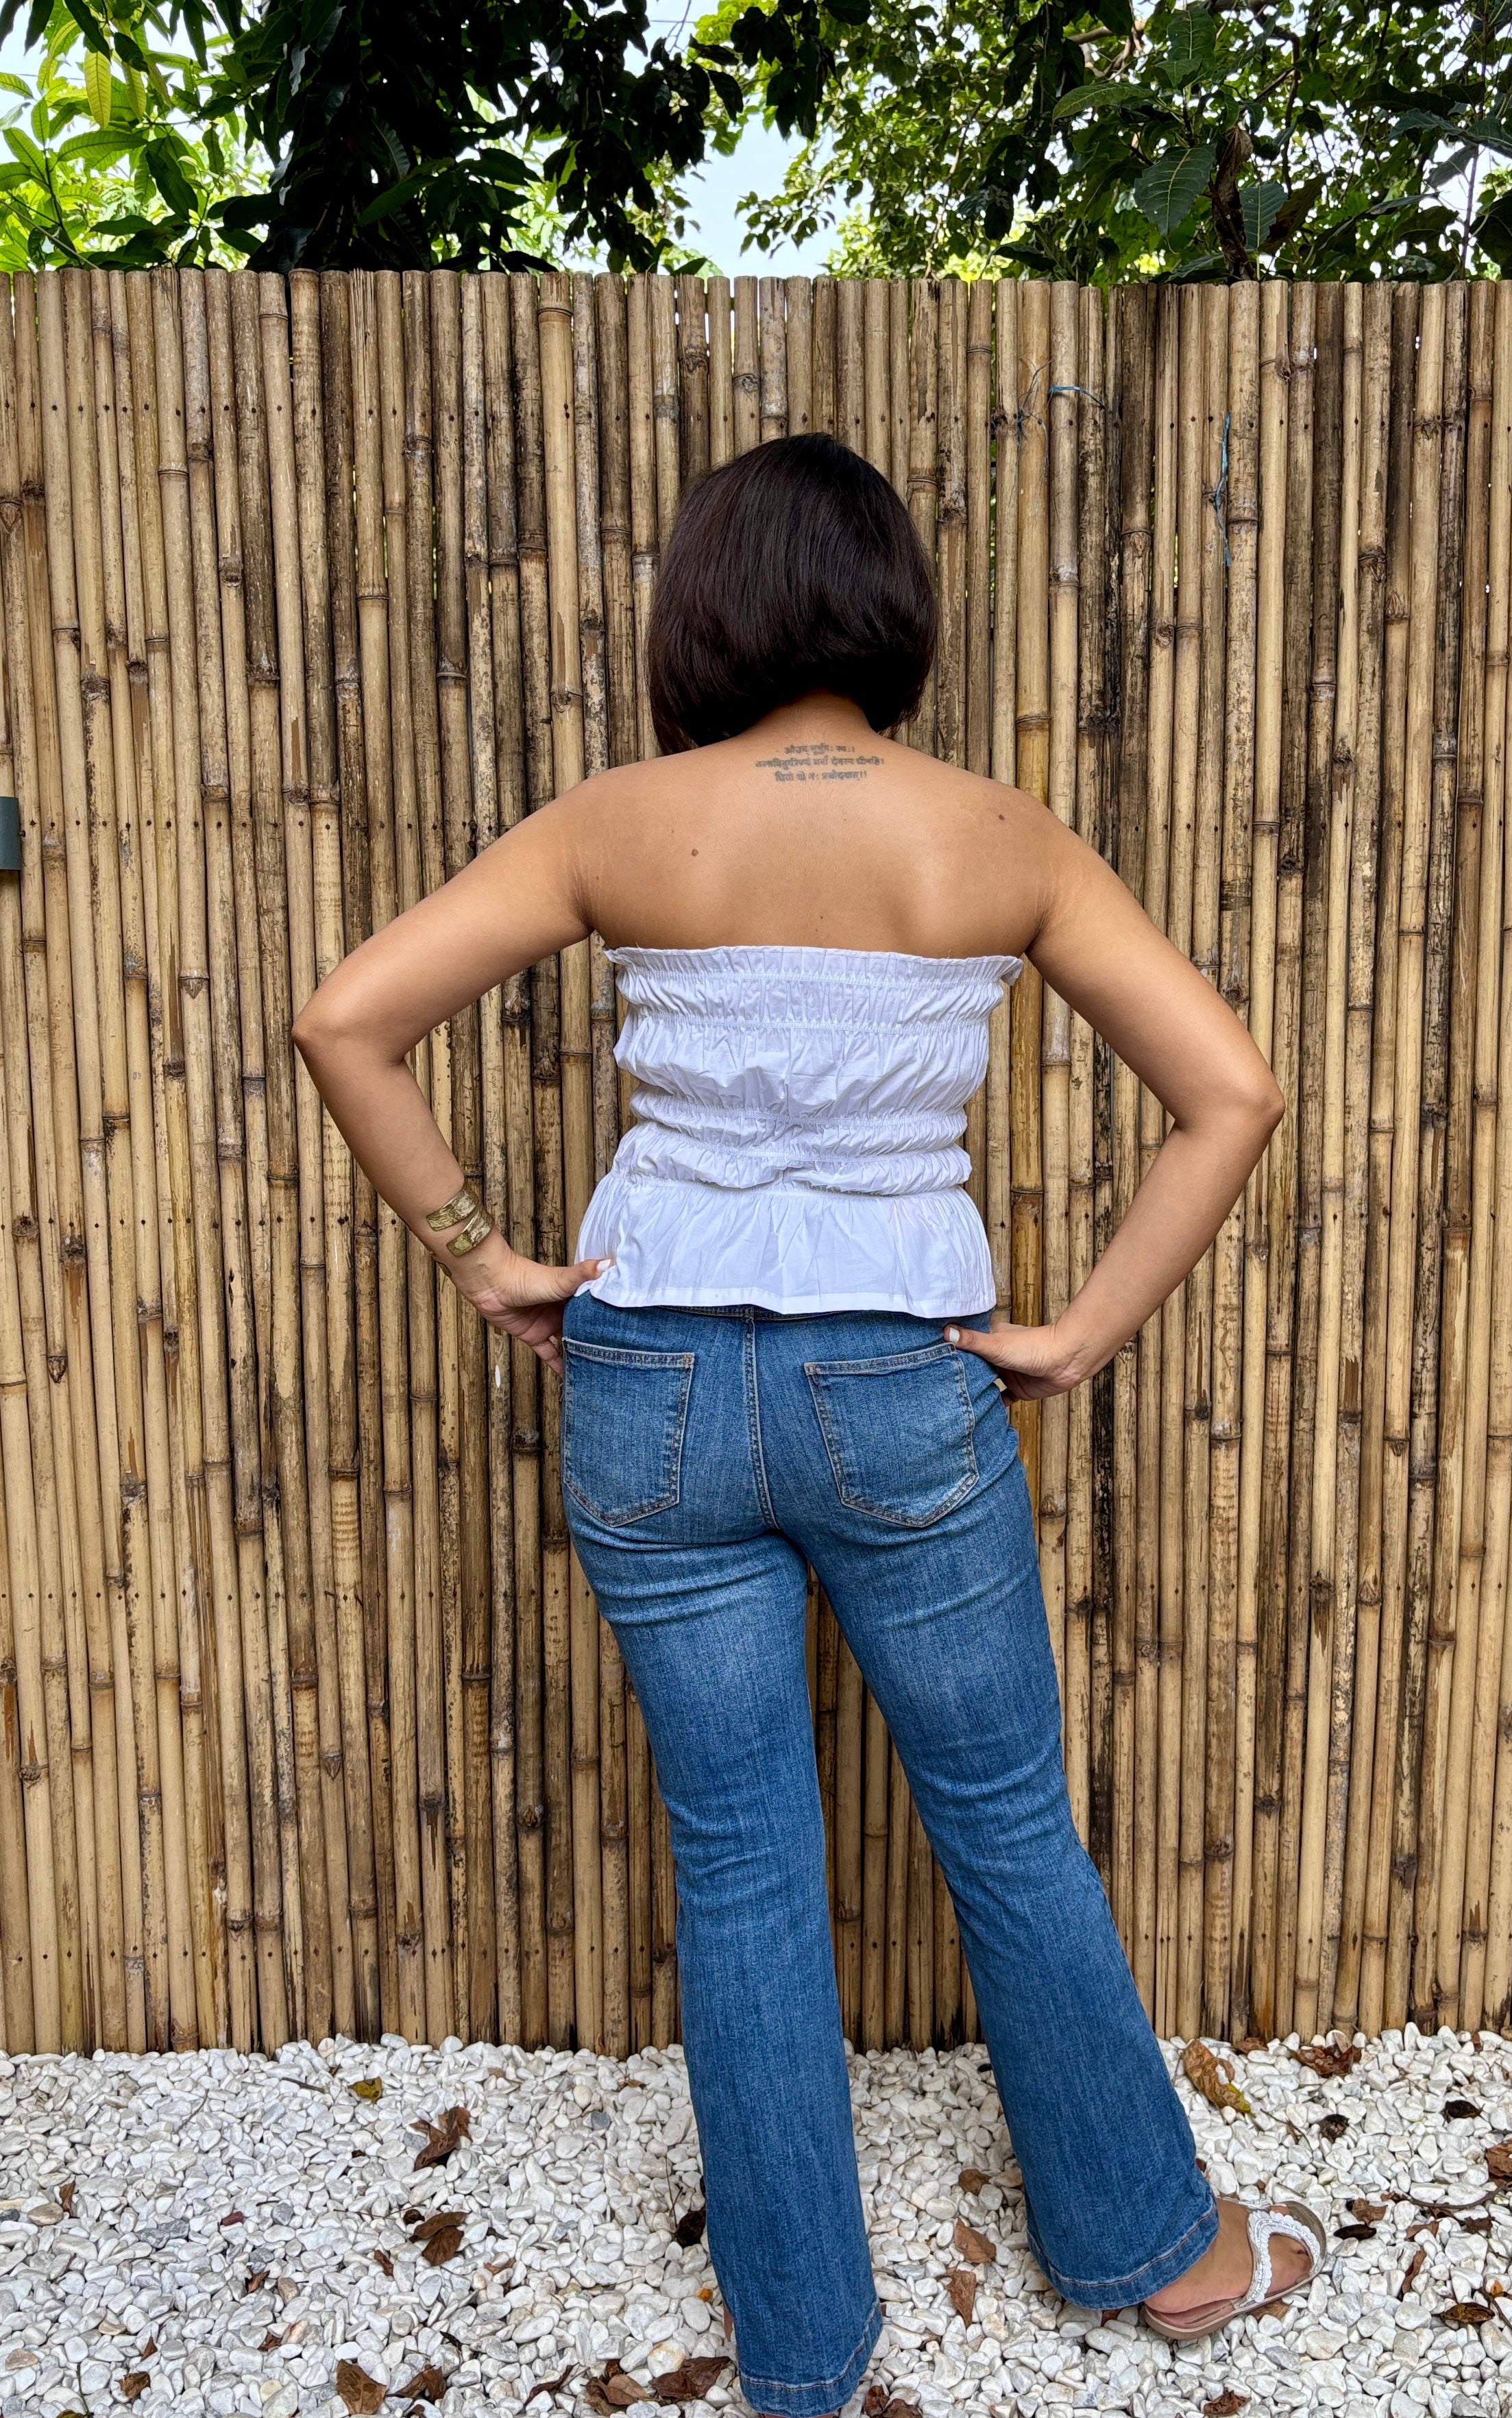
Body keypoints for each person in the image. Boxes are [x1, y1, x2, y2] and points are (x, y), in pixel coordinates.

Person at [293, 429, 1328, 2417]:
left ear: (707, 611)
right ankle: (1157, 2251)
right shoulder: (996, 835)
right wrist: (1085, 1332)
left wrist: (487, 1258)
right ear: (890, 607)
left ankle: (801, 2344)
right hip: (899, 1378)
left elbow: (347, 1017)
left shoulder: (620, 821)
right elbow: (1238, 1092)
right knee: (1007, 1820)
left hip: (654, 1377)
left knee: (741, 1860)